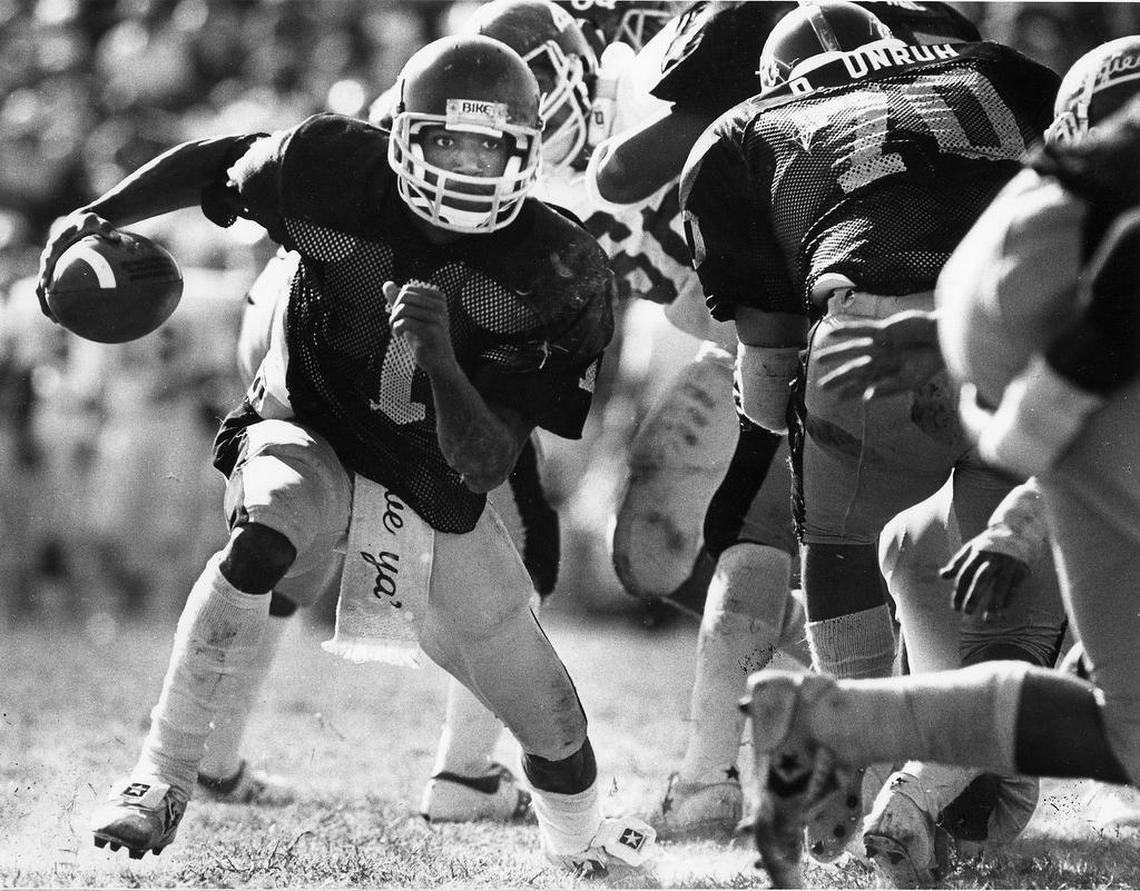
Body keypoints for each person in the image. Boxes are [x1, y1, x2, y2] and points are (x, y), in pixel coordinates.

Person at [38, 34, 656, 876]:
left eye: (487, 146)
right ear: (405, 134)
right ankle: (160, 776)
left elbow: (483, 461)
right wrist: (101, 214)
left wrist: (441, 359)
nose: (466, 163)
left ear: (524, 153)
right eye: (448, 140)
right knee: (267, 528)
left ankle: (581, 844)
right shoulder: (330, 166)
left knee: (548, 712)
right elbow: (218, 163)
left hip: (437, 477)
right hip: (313, 422)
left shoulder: (555, 268)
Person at [742, 35, 1140, 889]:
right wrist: (1030, 453)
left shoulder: (1067, 178)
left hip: (998, 321)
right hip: (1053, 381)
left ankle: (840, 717)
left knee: (1115, 715)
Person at [678, 0, 1059, 871]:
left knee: (845, 549)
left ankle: (857, 779)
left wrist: (763, 471)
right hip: (1026, 322)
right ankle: (943, 773)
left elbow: (770, 362)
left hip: (872, 329)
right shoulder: (996, 69)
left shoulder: (748, 131)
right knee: (1012, 571)